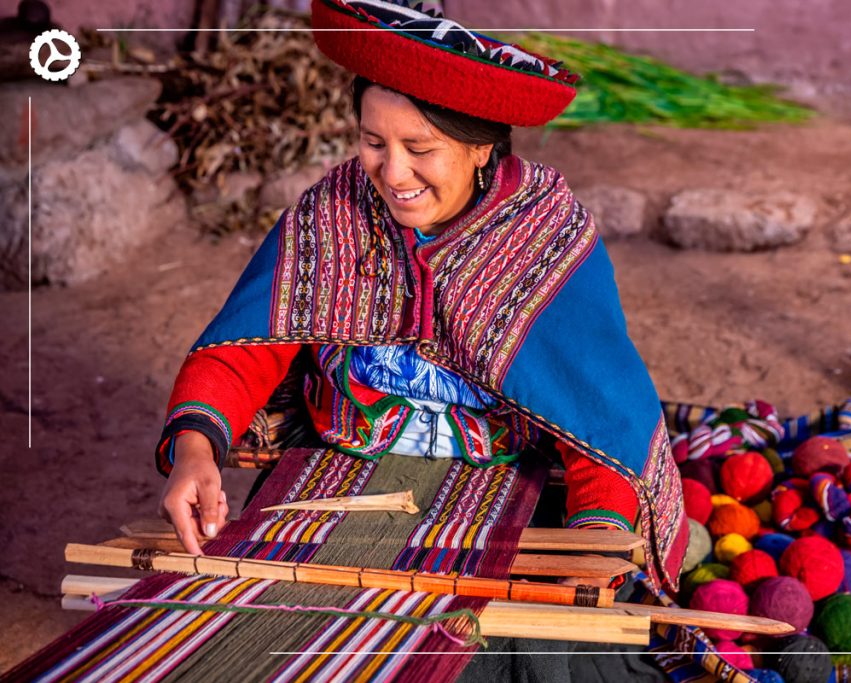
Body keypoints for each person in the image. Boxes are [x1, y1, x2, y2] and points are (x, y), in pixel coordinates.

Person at [156, 0, 687, 597]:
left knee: (503, 654)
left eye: (421, 147)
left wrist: (591, 544)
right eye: (372, 141)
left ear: (480, 147)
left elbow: (596, 414)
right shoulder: (332, 212)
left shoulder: (546, 236)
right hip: (337, 472)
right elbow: (248, 346)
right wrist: (195, 452)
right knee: (250, 620)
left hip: (502, 487)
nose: (394, 172)